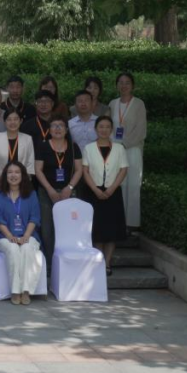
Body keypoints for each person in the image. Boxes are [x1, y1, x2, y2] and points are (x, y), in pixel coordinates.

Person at [34, 115, 84, 273]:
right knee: (47, 230)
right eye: (54, 125)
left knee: (67, 228)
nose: (57, 128)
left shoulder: (74, 147)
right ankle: (50, 264)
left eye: (60, 125)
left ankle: (67, 264)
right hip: (46, 192)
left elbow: (79, 170)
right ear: (49, 130)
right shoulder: (43, 146)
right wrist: (49, 189)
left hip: (68, 193)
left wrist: (69, 187)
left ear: (66, 130)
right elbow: (38, 170)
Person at [83, 116, 129, 276]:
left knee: (111, 231)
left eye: (107, 127)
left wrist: (111, 189)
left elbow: (123, 169)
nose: (104, 130)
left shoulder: (119, 148)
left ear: (111, 129)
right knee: (97, 230)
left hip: (113, 192)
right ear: (96, 129)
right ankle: (98, 261)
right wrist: (95, 189)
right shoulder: (88, 148)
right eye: (101, 126)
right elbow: (85, 171)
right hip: (93, 192)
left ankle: (107, 263)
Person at [0, 162, 43, 305]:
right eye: (10, 172)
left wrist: (26, 236)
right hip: (5, 236)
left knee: (27, 248)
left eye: (17, 172)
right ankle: (15, 291)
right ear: (5, 175)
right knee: (13, 248)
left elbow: (34, 218)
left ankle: (26, 290)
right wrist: (10, 236)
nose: (13, 175)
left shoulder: (31, 195)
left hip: (29, 234)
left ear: (23, 175)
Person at [109, 72, 146, 232]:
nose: (124, 86)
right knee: (118, 184)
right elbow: (108, 126)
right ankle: (118, 223)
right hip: (116, 150)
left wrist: (124, 144)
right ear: (117, 85)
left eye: (127, 83)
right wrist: (114, 145)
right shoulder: (112, 104)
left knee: (133, 185)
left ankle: (131, 225)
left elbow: (141, 130)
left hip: (132, 150)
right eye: (121, 82)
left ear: (133, 86)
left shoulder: (139, 104)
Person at [0, 110, 36, 187]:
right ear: (4, 122)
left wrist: (22, 184)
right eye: (9, 119)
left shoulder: (27, 139)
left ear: (21, 121)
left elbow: (30, 164)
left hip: (22, 184)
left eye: (16, 119)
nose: (12, 122)